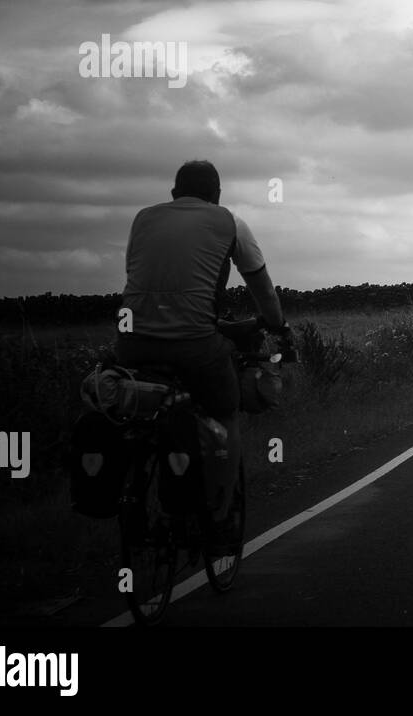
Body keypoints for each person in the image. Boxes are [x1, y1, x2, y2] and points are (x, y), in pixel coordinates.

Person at [115, 160, 285, 548]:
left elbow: (143, 277)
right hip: (195, 342)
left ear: (174, 193)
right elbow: (263, 289)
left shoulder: (143, 219)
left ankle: (136, 494)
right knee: (226, 411)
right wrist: (275, 324)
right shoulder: (230, 222)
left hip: (132, 341)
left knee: (142, 411)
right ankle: (221, 515)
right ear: (217, 196)